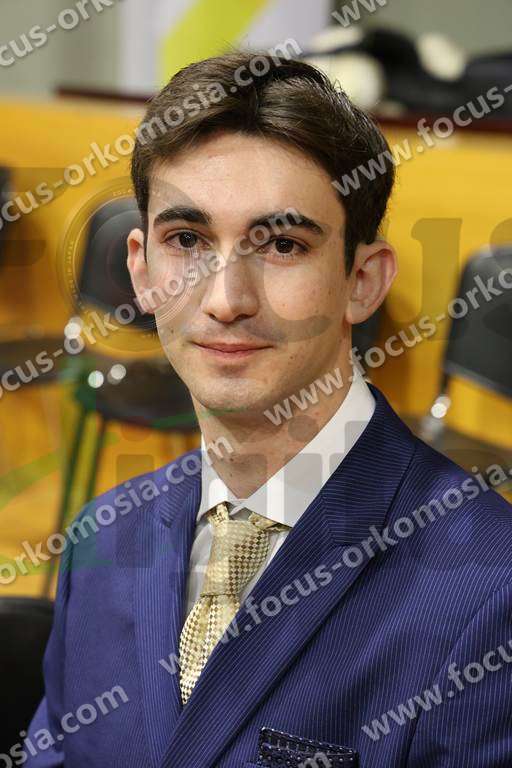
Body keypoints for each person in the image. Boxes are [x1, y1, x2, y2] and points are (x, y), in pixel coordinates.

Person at [23, 52, 512, 768]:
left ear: (362, 281)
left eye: (282, 245)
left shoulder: (490, 589)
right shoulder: (103, 538)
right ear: (141, 270)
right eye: (187, 241)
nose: (226, 299)